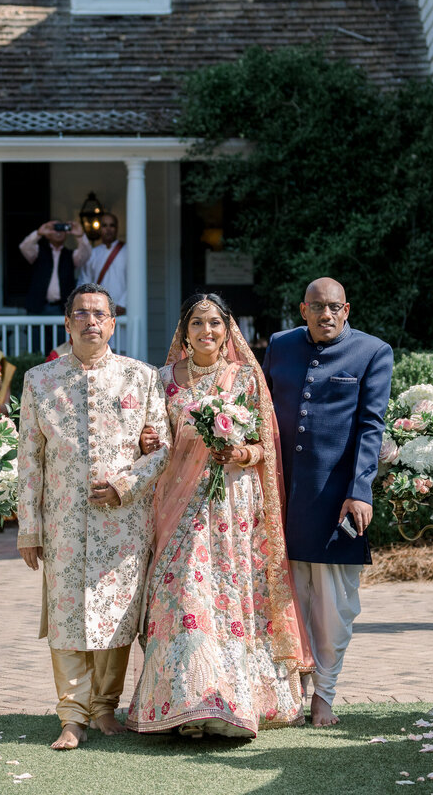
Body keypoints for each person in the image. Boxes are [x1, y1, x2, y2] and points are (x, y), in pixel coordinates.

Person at [126, 293, 310, 737]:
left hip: (232, 503)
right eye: (197, 323)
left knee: (229, 595)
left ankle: (231, 702)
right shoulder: (162, 379)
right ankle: (183, 703)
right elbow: (153, 438)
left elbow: (266, 447)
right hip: (179, 503)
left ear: (227, 330)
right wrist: (147, 441)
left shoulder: (245, 377)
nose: (206, 331)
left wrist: (241, 453)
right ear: (184, 332)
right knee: (182, 592)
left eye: (214, 323)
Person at [16, 283, 170, 750]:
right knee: (67, 615)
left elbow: (161, 449)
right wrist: (29, 528)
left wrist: (125, 485)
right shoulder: (40, 381)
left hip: (123, 522)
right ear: (67, 323)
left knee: (116, 613)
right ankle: (71, 715)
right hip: (63, 521)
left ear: (113, 323)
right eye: (81, 314)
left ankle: (104, 706)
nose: (91, 322)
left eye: (100, 314)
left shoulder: (141, 377)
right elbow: (29, 460)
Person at [261, 277, 392, 727]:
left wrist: (360, 489)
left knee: (334, 606)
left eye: (335, 307)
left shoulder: (372, 352)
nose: (327, 314)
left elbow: (372, 426)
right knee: (286, 598)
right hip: (282, 494)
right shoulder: (280, 346)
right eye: (317, 307)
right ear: (304, 310)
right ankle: (290, 694)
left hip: (337, 497)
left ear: (347, 308)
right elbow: (258, 410)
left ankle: (325, 695)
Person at [20, 221, 91, 316]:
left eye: (62, 228)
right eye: (55, 228)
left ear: (66, 234)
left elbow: (86, 254)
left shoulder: (71, 255)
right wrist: (38, 233)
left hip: (62, 308)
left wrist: (80, 236)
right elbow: (24, 247)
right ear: (48, 235)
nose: (58, 232)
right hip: (37, 307)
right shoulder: (38, 252)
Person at [79, 214, 128, 315]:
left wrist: (122, 304)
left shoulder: (127, 251)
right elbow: (85, 281)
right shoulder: (93, 254)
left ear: (117, 228)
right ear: (99, 229)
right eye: (104, 225)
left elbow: (134, 281)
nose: (108, 229)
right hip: (98, 311)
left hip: (123, 311)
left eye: (112, 225)